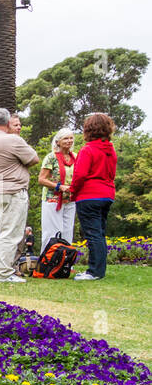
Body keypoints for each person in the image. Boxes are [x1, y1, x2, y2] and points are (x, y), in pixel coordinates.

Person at [0, 108, 39, 283]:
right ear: (7, 124)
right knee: (9, 232)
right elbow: (33, 159)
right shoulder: (12, 140)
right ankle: (3, 272)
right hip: (11, 191)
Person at [69, 112, 118, 281]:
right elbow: (112, 173)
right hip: (107, 194)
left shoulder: (88, 150)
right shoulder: (110, 150)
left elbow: (80, 174)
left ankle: (94, 272)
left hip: (89, 195)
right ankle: (99, 269)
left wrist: (73, 193)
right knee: (99, 233)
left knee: (92, 234)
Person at [38, 129, 78, 244]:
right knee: (52, 233)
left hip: (70, 199)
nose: (69, 141)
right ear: (58, 142)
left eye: (71, 138)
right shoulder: (51, 157)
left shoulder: (75, 157)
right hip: (53, 199)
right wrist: (59, 186)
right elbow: (41, 179)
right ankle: (49, 260)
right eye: (65, 138)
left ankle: (65, 260)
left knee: (68, 232)